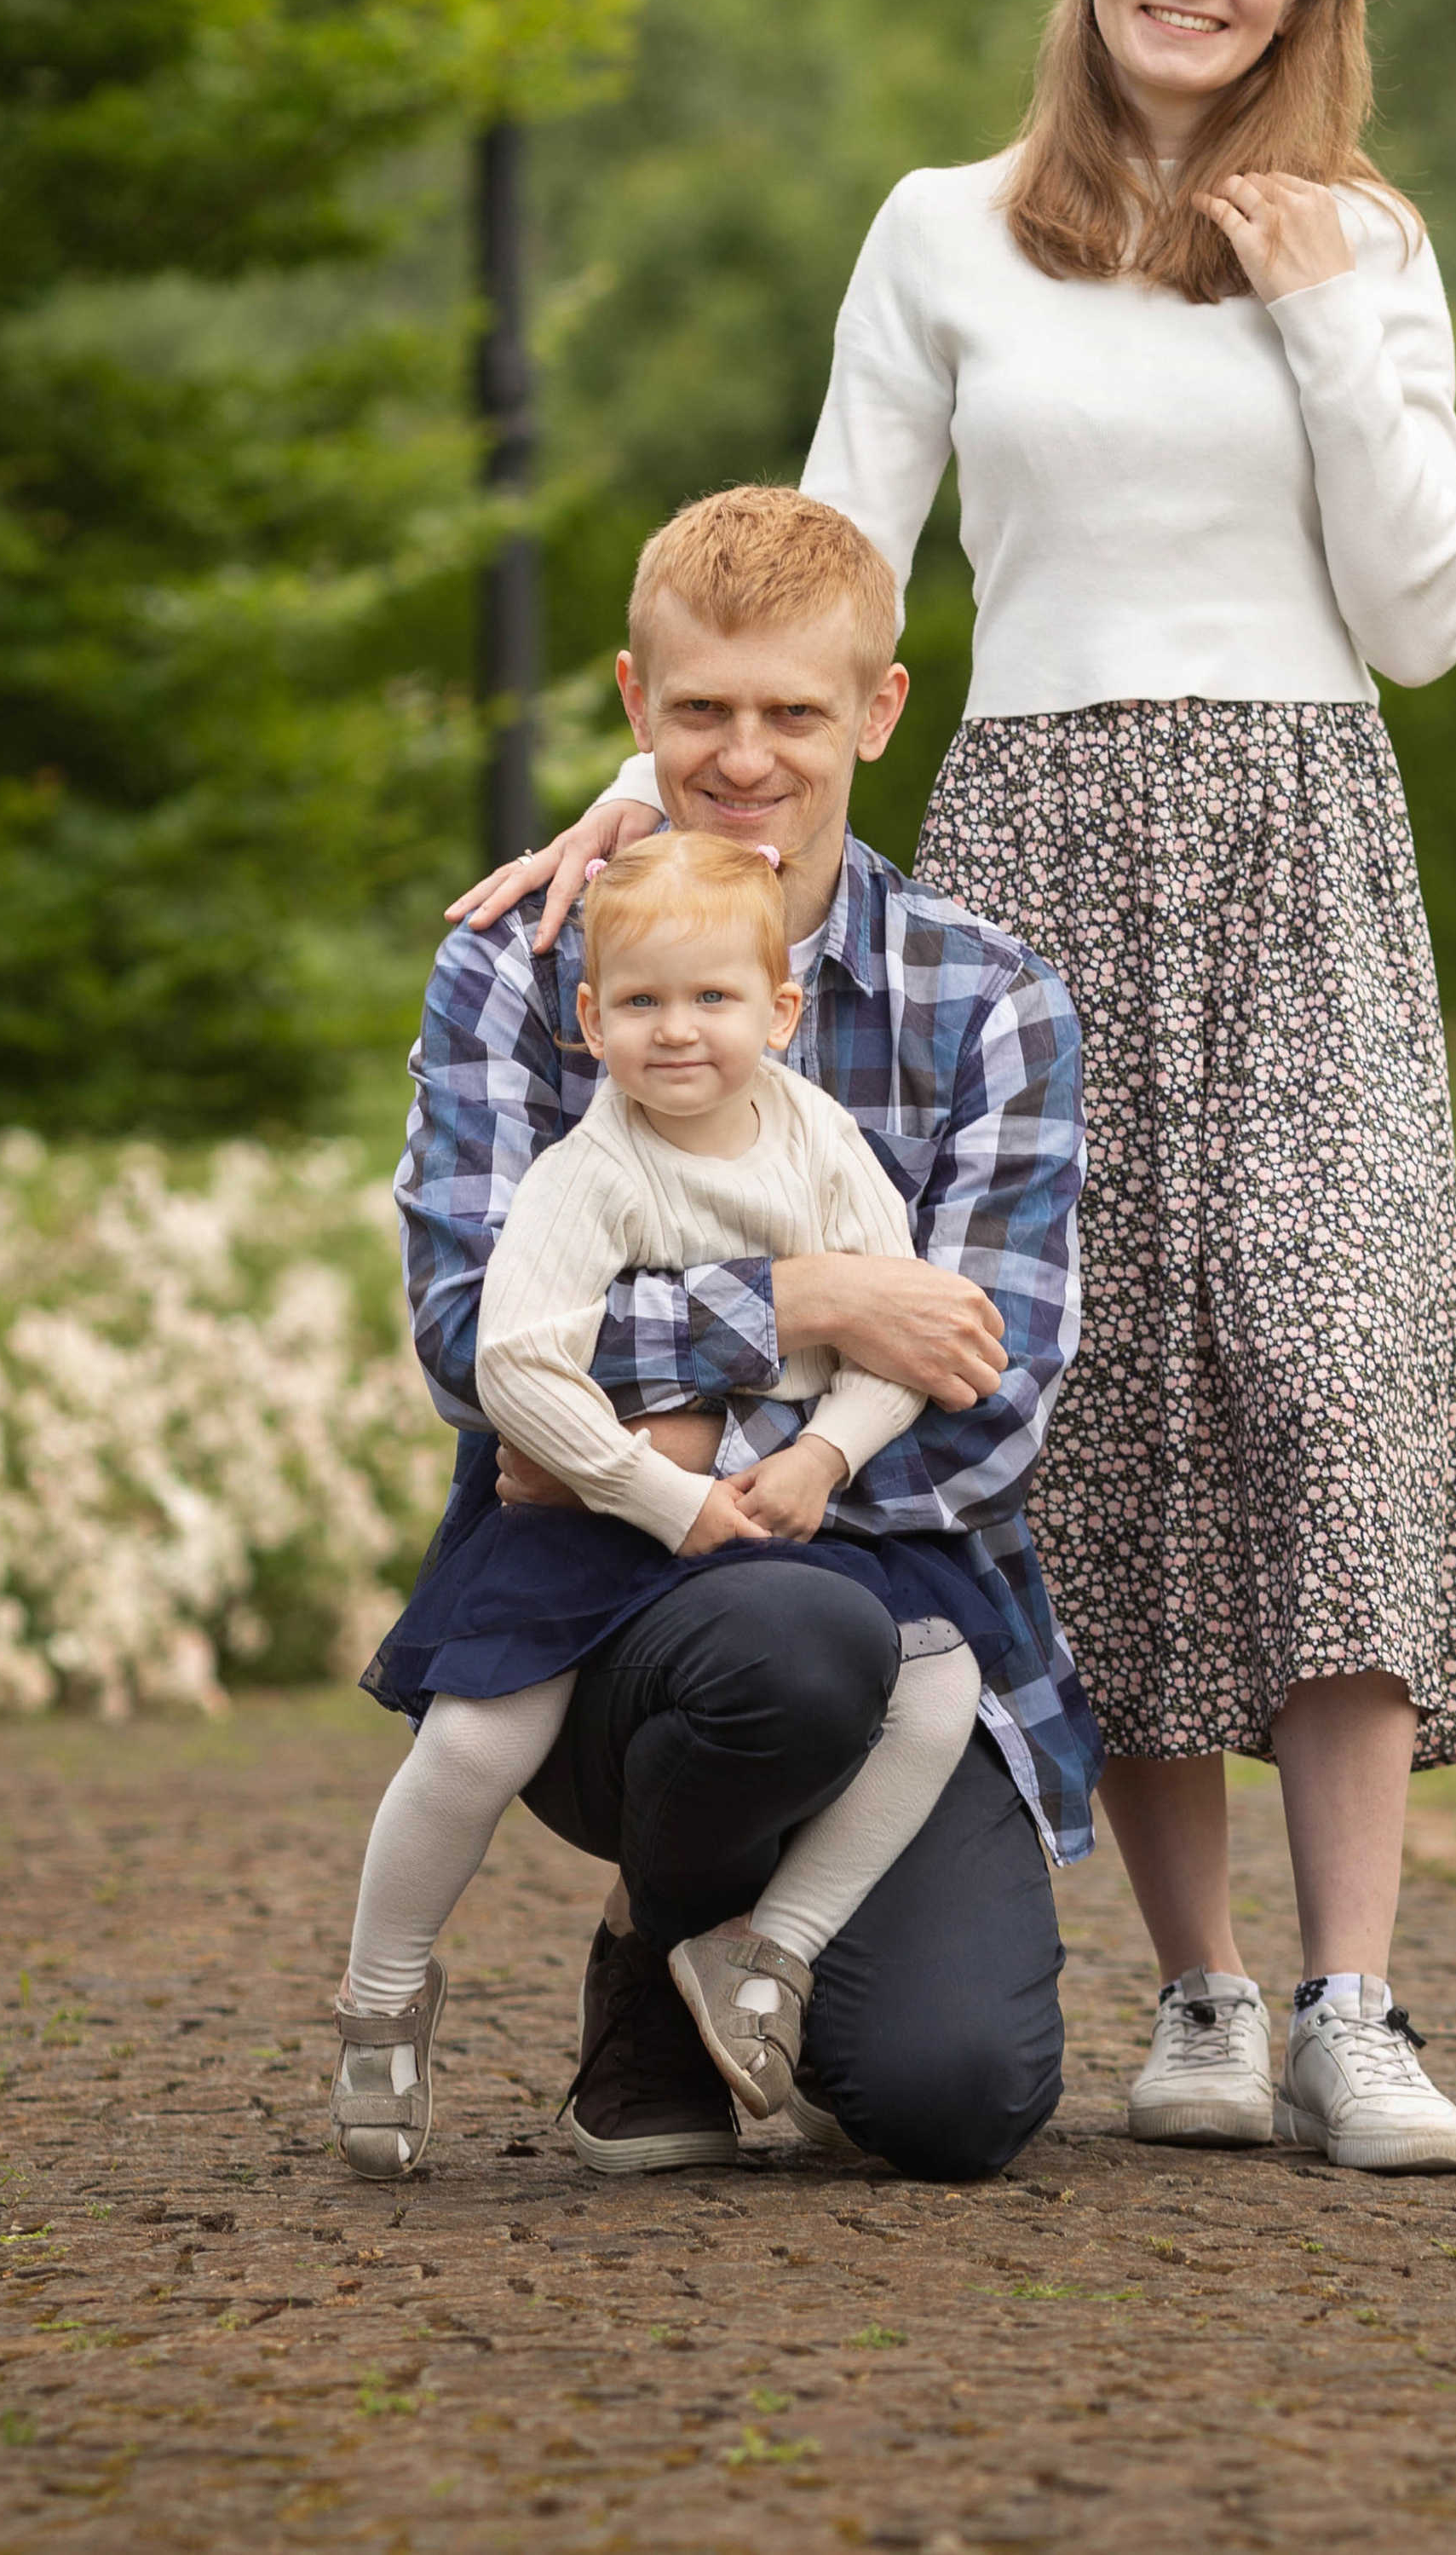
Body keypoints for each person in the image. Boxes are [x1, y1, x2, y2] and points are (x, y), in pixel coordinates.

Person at [488, 0, 1456, 2178]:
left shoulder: (1365, 242)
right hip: (1041, 835)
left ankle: (1359, 1996)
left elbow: (1427, 617)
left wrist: (1319, 313)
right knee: (1100, 1382)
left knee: (1331, 1362)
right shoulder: (946, 231)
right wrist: (651, 791)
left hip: (1299, 833)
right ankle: (1204, 1988)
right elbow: (827, 559)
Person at [400, 483, 1097, 2188]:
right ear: (633, 700)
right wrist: (812, 1304)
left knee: (950, 2097)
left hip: (907, 1597)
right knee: (783, 1640)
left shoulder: (988, 997)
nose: (744, 755)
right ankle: (656, 1936)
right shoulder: (522, 968)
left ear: (877, 709)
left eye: (793, 711)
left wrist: (699, 1425)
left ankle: (747, 1935)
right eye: (702, 709)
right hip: (607, 1602)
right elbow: (464, 1339)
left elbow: (992, 1392)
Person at [331, 833, 989, 2173]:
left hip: (770, 1507)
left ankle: (770, 1952)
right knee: (477, 1739)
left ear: (780, 1011)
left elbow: (906, 1341)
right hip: (599, 1513)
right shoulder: (594, 1170)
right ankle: (380, 1995)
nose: (676, 1030)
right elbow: (516, 1366)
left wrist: (825, 1458)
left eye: (712, 998)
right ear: (590, 1019)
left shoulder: (819, 1141)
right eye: (639, 1001)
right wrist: (654, 1491)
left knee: (940, 1688)